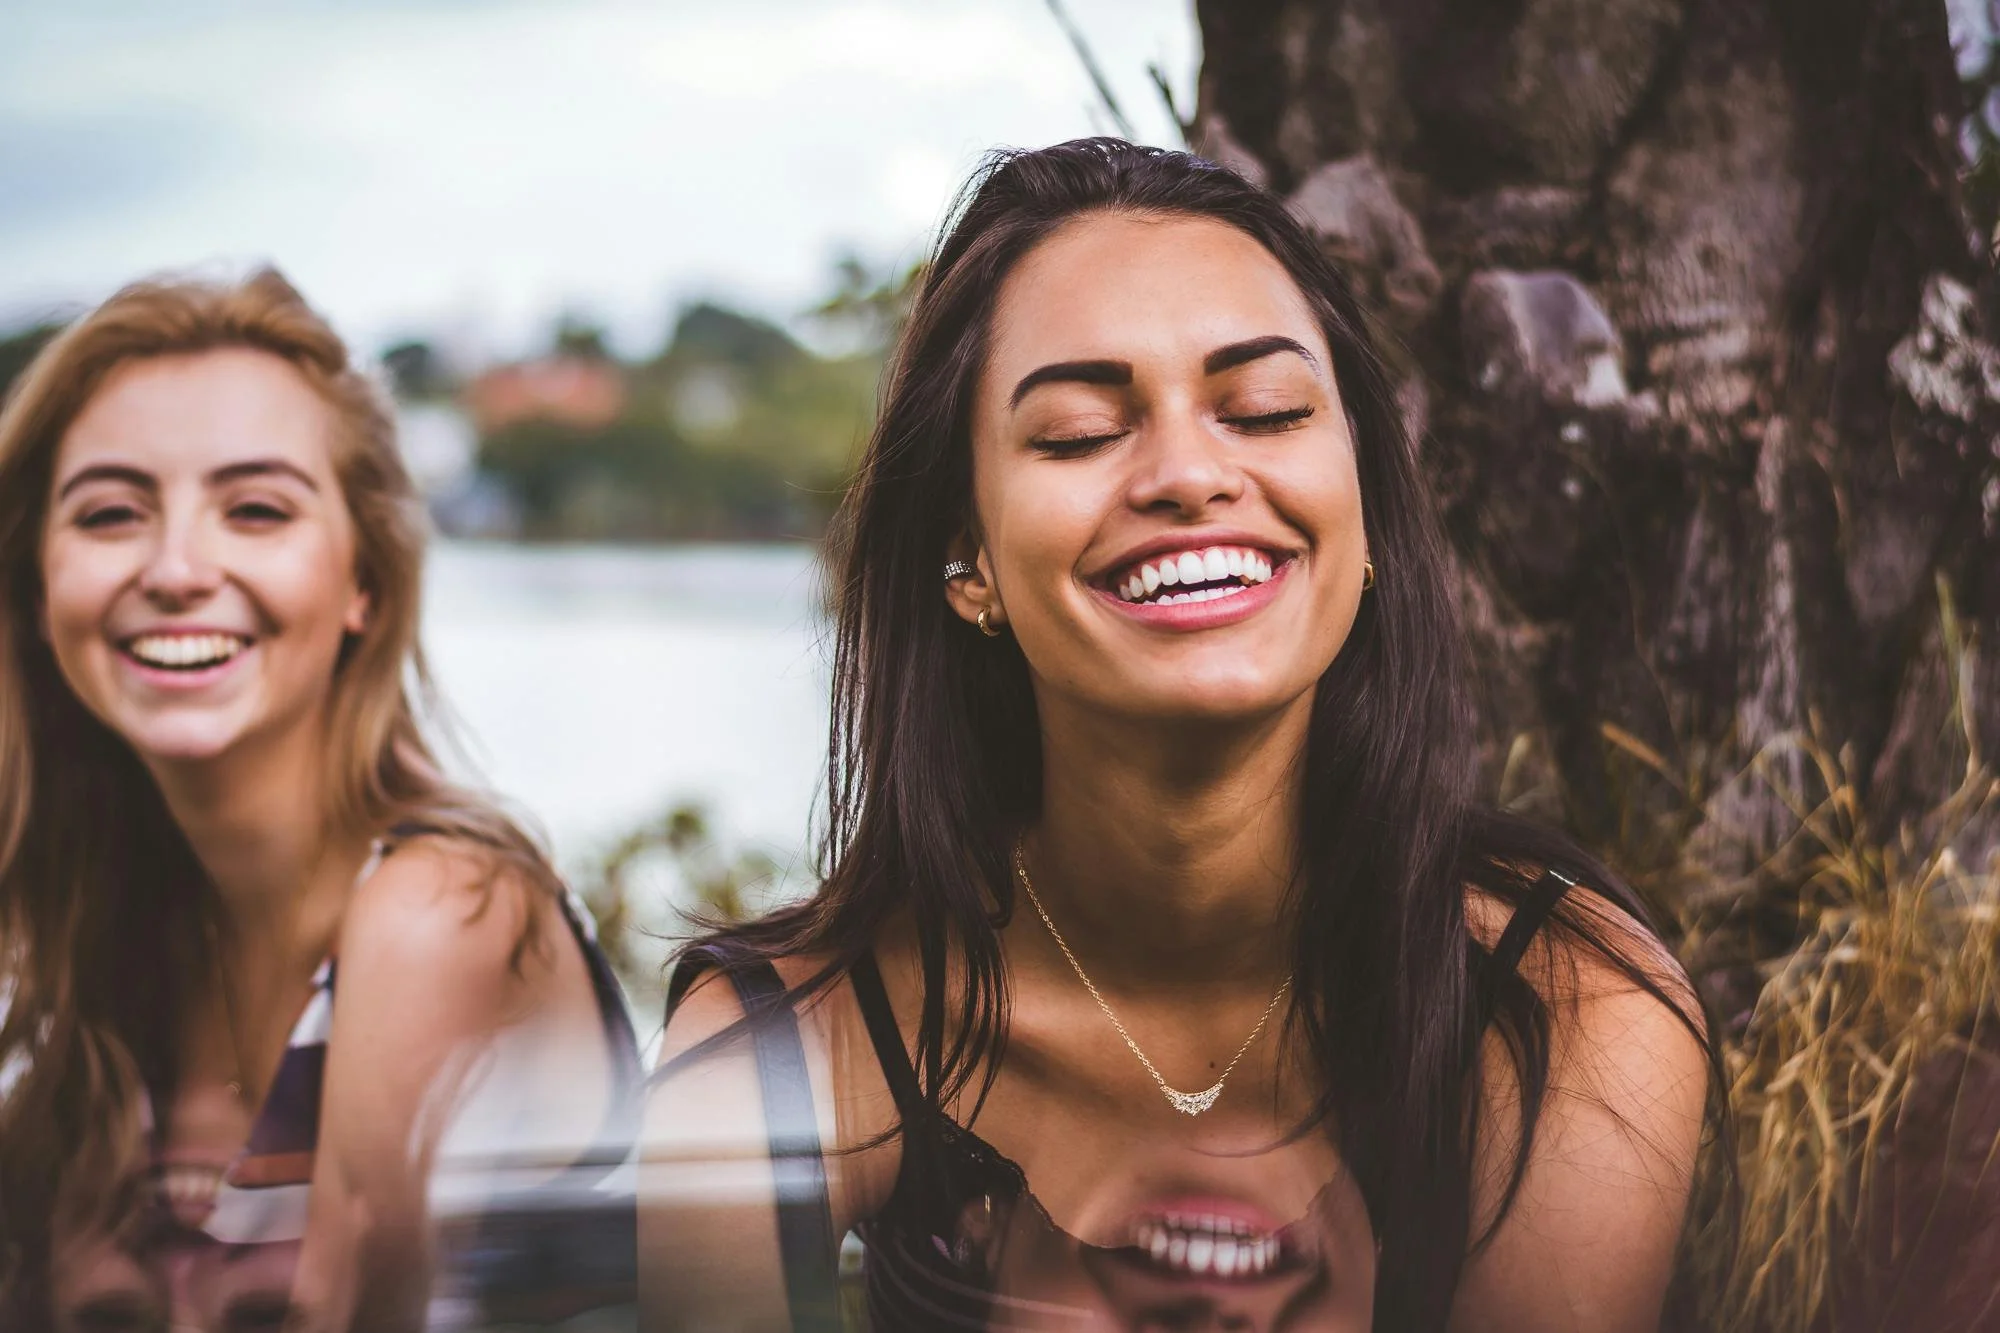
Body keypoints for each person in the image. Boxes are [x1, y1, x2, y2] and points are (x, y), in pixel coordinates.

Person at [640, 139, 1714, 1333]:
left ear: (1361, 515)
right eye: (1079, 433)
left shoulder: (1567, 1004)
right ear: (969, 559)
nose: (1189, 473)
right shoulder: (773, 1059)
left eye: (1263, 409)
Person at [0, 270, 640, 1332]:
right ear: (37, 586)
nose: (174, 567)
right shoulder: (107, 940)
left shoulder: (441, 910)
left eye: (255, 510)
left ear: (365, 584)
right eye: (110, 513)